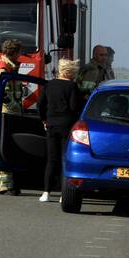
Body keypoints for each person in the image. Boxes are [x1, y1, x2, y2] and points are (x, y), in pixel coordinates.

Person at [37, 59, 84, 202]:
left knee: (51, 160)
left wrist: (44, 119)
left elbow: (40, 104)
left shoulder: (49, 85)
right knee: (65, 160)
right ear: (70, 72)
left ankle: (46, 193)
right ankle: (64, 194)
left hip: (51, 126)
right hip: (67, 126)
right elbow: (75, 107)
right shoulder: (72, 87)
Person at [0, 38, 24, 195]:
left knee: (9, 149)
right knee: (5, 149)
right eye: (19, 52)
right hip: (7, 113)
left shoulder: (11, 68)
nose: (21, 56)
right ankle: (4, 186)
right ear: (14, 52)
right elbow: (2, 94)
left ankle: (9, 184)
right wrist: (13, 106)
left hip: (11, 112)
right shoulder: (3, 69)